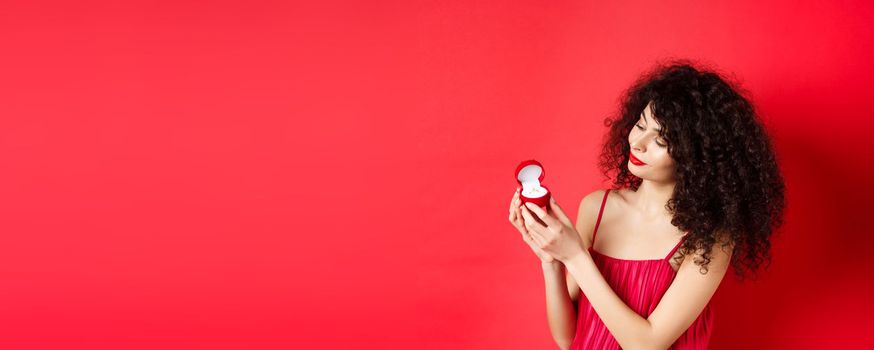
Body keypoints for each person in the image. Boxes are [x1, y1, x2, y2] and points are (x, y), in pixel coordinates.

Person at [507, 59, 786, 350]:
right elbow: (567, 339)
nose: (638, 143)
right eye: (640, 125)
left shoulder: (710, 239)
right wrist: (551, 259)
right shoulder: (596, 208)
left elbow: (647, 345)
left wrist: (575, 256)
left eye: (661, 140)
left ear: (697, 158)